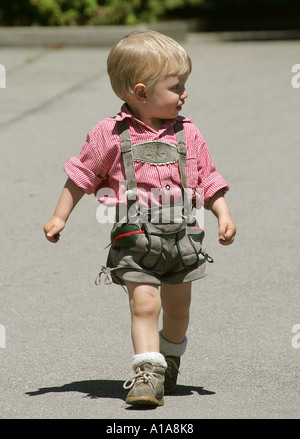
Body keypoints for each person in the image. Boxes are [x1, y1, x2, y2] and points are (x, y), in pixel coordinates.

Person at [43, 30, 236, 408]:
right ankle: (147, 373)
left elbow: (207, 177)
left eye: (184, 85)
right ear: (141, 92)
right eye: (177, 86)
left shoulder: (189, 133)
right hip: (135, 241)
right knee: (145, 305)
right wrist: (58, 216)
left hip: (184, 239)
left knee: (178, 309)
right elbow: (82, 176)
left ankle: (169, 356)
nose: (185, 94)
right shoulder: (110, 134)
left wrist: (222, 212)